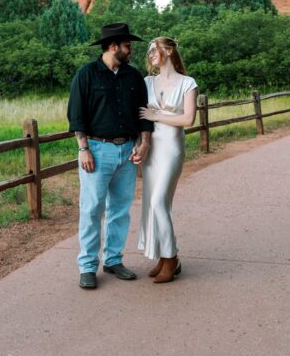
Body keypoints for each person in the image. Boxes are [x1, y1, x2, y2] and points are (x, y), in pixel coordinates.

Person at [67, 22, 153, 290]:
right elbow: (76, 114)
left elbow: (143, 112)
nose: (131, 50)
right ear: (114, 46)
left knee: (120, 210)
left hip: (127, 150)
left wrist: (144, 143)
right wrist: (83, 148)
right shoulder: (87, 75)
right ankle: (87, 266)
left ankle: (113, 260)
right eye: (128, 45)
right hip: (97, 150)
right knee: (92, 209)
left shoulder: (133, 77)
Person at [137, 36, 197, 284]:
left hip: (172, 147)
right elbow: (141, 118)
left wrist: (156, 115)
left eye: (155, 48)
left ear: (170, 50)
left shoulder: (188, 83)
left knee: (160, 201)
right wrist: (139, 145)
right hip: (151, 149)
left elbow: (188, 120)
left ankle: (171, 258)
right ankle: (162, 256)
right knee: (151, 202)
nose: (151, 53)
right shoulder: (147, 82)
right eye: (149, 50)